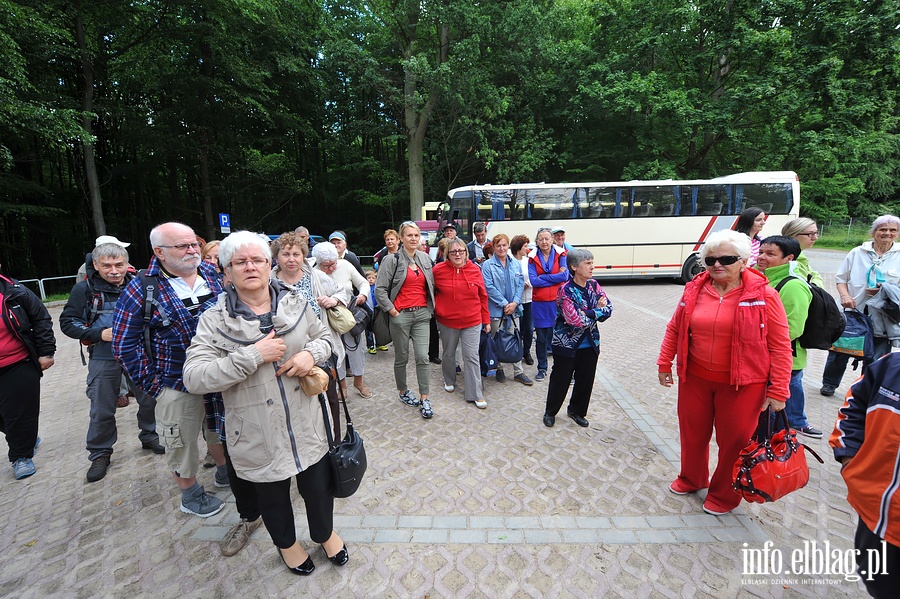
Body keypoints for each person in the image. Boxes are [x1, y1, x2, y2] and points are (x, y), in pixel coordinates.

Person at [183, 231, 348, 576]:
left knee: (318, 487)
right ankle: (288, 546)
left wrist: (309, 354)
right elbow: (194, 376)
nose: (250, 267)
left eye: (257, 259)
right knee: (272, 496)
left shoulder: (295, 302)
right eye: (240, 262)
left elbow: (325, 339)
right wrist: (252, 356)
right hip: (255, 428)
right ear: (226, 271)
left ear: (267, 264)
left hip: (306, 419)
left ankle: (324, 533)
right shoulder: (213, 320)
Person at [657, 229, 792, 516]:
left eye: (727, 259)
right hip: (694, 378)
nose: (717, 265)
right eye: (710, 260)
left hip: (744, 384)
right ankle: (692, 478)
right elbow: (675, 327)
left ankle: (723, 495)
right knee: (692, 433)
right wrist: (664, 363)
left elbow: (780, 347)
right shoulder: (694, 288)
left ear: (744, 261)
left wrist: (779, 390)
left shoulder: (764, 295)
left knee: (734, 442)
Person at [112, 222, 225, 518]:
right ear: (159, 252)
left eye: (194, 244)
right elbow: (124, 344)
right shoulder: (141, 288)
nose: (192, 250)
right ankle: (191, 495)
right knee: (181, 442)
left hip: (219, 377)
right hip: (174, 383)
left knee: (220, 431)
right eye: (183, 246)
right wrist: (155, 387)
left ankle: (226, 475)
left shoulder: (212, 275)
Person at [60, 243, 164, 483]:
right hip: (104, 356)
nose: (114, 270)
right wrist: (98, 334)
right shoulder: (83, 289)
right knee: (102, 407)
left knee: (150, 399)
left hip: (139, 354)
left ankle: (150, 435)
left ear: (127, 264)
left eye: (119, 265)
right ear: (95, 265)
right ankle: (100, 453)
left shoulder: (141, 285)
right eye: (106, 265)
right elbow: (68, 322)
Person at [830, 350, 900, 598]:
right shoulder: (891, 366)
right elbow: (854, 404)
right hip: (875, 510)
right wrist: (850, 458)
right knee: (877, 580)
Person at [271, 231, 350, 440]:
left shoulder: (315, 276)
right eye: (286, 254)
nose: (291, 259)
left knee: (330, 397)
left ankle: (334, 443)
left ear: (304, 255)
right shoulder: (269, 282)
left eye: (296, 254)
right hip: (287, 352)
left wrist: (333, 301)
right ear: (277, 257)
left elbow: (342, 292)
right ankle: (301, 441)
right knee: (294, 400)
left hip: (321, 346)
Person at [821, 215, 900, 396]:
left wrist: (885, 290)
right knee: (840, 350)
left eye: (892, 230)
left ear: (897, 233)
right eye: (882, 229)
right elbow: (841, 279)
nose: (887, 233)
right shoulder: (857, 253)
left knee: (876, 357)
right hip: (854, 311)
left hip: (883, 316)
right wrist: (845, 296)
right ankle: (829, 383)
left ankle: (866, 390)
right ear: (874, 232)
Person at [756, 236, 819, 438]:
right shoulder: (765, 279)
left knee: (772, 417)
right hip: (766, 358)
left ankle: (770, 458)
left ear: (788, 258)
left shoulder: (792, 286)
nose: (762, 257)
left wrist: (754, 341)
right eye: (761, 252)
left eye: (770, 254)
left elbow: (792, 328)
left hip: (786, 361)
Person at [542, 249, 611, 428]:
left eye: (592, 262)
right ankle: (550, 412)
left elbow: (609, 309)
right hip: (566, 344)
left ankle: (577, 411)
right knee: (560, 380)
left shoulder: (594, 285)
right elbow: (575, 320)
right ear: (574, 267)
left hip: (591, 344)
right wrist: (596, 309)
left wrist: (589, 312)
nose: (592, 267)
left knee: (585, 380)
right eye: (587, 263)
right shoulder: (565, 290)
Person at [375, 221, 436, 419]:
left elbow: (432, 285)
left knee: (423, 357)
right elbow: (380, 290)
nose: (413, 239)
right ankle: (402, 391)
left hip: (421, 315)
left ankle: (424, 397)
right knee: (402, 357)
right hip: (400, 315)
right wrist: (393, 312)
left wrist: (429, 308)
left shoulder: (425, 258)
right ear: (401, 238)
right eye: (409, 235)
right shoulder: (391, 260)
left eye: (416, 236)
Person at [0, 262, 55, 480]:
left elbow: (40, 318)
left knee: (18, 413)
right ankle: (26, 438)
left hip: (17, 362)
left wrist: (46, 352)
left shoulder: (15, 291)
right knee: (9, 418)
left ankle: (21, 456)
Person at [432, 238, 491, 407]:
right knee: (449, 353)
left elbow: (483, 296)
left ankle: (475, 393)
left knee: (471, 356)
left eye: (461, 251)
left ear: (466, 253)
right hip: (447, 321)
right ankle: (449, 379)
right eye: (453, 252)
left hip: (472, 320)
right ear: (447, 255)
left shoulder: (475, 270)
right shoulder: (438, 271)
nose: (457, 254)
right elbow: (428, 291)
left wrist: (486, 319)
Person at [312, 242, 373, 399]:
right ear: (318, 262)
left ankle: (359, 382)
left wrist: (363, 295)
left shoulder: (345, 265)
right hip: (327, 320)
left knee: (356, 349)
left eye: (333, 264)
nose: (331, 268)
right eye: (326, 266)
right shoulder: (313, 272)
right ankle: (342, 386)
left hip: (349, 316)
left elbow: (363, 282)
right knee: (336, 352)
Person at [482, 233, 533, 386]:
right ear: (494, 247)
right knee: (496, 339)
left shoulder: (515, 264)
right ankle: (499, 368)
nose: (502, 248)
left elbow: (519, 284)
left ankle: (518, 371)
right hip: (497, 310)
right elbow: (488, 287)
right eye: (498, 246)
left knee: (515, 338)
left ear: (508, 246)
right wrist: (505, 303)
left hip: (514, 310)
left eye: (504, 245)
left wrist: (515, 303)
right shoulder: (487, 265)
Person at [529, 227, 569, 381]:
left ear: (552, 239)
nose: (544, 242)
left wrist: (544, 277)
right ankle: (542, 368)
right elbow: (533, 281)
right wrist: (554, 277)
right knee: (541, 339)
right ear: (537, 241)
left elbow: (564, 276)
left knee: (559, 337)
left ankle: (561, 369)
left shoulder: (561, 254)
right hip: (540, 303)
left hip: (558, 302)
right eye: (541, 239)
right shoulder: (532, 257)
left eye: (547, 238)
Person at [511, 235, 535, 366]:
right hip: (516, 301)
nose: (527, 248)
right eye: (525, 246)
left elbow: (535, 276)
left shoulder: (529, 261)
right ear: (518, 247)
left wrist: (528, 283)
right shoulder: (510, 261)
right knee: (517, 328)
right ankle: (516, 351)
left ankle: (527, 351)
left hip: (529, 299)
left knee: (529, 328)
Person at [781, 218, 824, 287]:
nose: (815, 238)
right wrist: (816, 281)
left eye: (816, 233)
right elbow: (811, 287)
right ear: (793, 235)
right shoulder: (791, 260)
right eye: (810, 234)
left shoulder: (800, 255)